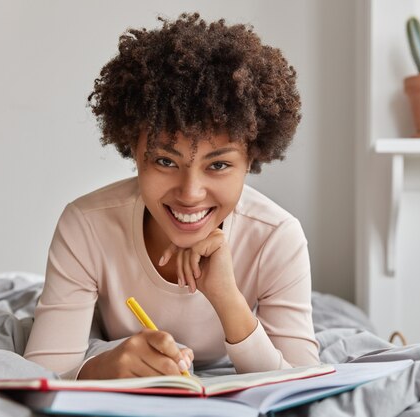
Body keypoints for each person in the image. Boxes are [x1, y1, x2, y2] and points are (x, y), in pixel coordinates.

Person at [24, 12, 320, 380]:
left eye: (218, 165)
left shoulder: (277, 238)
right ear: (134, 148)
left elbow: (303, 382)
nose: (190, 194)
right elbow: (42, 375)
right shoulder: (86, 225)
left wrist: (229, 299)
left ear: (251, 159)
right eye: (166, 160)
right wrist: (105, 367)